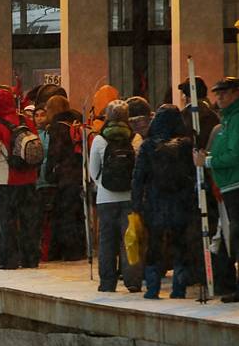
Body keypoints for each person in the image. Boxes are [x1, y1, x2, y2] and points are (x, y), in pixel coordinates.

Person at [132, 106, 197, 299]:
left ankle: (152, 288)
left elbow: (138, 178)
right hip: (180, 202)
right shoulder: (186, 145)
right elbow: (192, 175)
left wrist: (135, 204)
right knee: (179, 245)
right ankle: (179, 287)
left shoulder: (147, 146)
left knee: (154, 246)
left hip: (154, 203)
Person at [0, 87, 42, 270]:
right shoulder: (26, 120)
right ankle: (31, 258)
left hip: (5, 180)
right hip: (29, 178)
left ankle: (10, 258)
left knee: (7, 221)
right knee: (28, 221)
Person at [88, 101, 141, 292]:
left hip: (105, 198)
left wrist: (104, 184)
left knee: (107, 241)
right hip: (130, 197)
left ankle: (108, 282)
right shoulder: (135, 139)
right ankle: (133, 280)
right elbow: (139, 170)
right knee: (131, 239)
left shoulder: (99, 140)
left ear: (107, 116)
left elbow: (93, 170)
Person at [195, 77, 239, 303]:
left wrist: (209, 162)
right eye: (217, 93)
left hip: (235, 185)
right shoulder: (227, 121)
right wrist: (207, 158)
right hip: (228, 186)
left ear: (236, 93)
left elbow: (235, 154)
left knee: (235, 236)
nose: (219, 97)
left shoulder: (236, 120)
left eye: (224, 93)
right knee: (233, 237)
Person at [42, 95, 86, 261]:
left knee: (63, 214)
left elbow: (55, 153)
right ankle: (78, 248)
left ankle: (66, 250)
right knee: (76, 213)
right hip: (77, 174)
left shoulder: (57, 127)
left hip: (64, 177)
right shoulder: (76, 123)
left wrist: (49, 173)